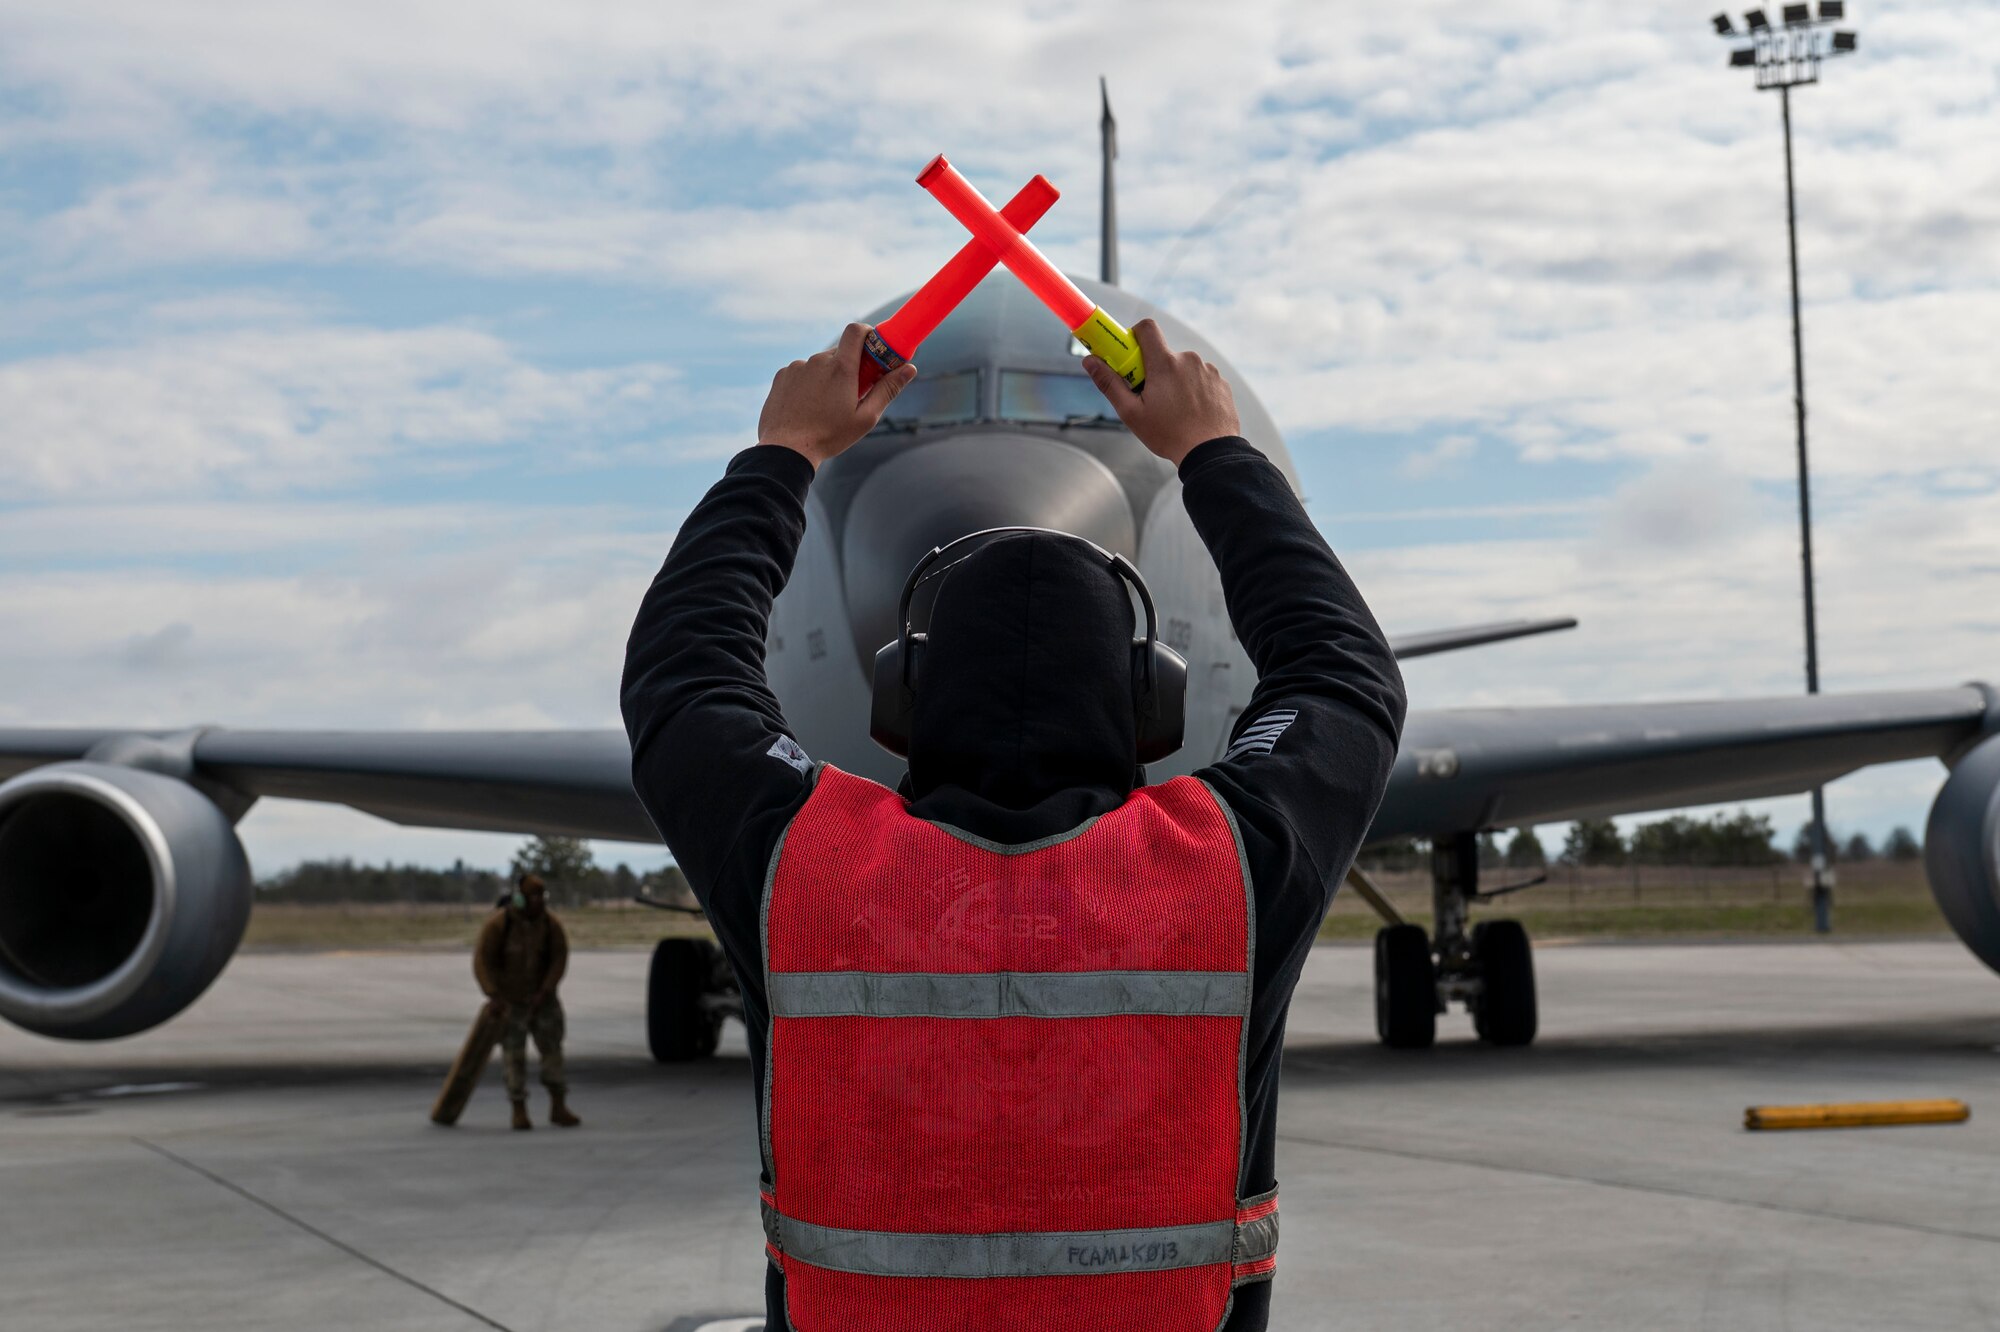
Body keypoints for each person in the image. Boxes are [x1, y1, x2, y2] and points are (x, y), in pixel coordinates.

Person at [621, 321, 1404, 1331]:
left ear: (896, 701)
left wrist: (782, 454)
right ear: (1147, 706)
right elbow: (1343, 679)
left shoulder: (802, 870)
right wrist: (1215, 449)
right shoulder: (1227, 877)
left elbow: (682, 679)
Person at [473, 872, 580, 1131]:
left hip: (543, 1001)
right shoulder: (499, 925)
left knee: (552, 1052)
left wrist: (546, 990)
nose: (538, 902)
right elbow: (482, 962)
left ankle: (558, 1105)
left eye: (541, 897)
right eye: (532, 897)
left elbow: (559, 959)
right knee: (513, 1056)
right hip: (510, 1002)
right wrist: (493, 995)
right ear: (520, 899)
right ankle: (519, 1110)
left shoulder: (550, 925)